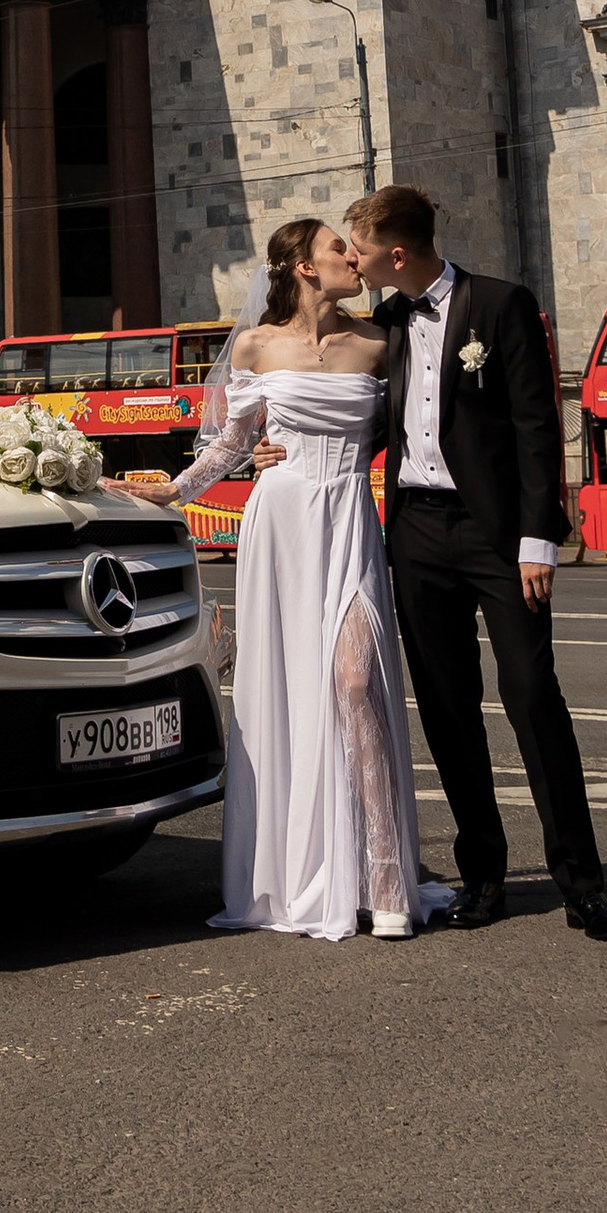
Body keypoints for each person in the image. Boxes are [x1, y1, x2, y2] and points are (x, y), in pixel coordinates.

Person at [138, 213, 453, 942]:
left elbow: (409, 428)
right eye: (338, 248)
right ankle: (302, 869)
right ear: (304, 267)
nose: (353, 256)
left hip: (348, 520)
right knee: (289, 695)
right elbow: (230, 443)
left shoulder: (379, 339)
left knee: (354, 683)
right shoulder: (255, 344)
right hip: (279, 527)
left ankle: (382, 875)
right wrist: (174, 491)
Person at [339, 183, 607, 943]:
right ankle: (484, 877)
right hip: (415, 533)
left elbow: (539, 425)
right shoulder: (389, 320)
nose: (353, 258)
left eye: (360, 248)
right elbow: (363, 416)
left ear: (395, 251)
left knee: (533, 695)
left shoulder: (500, 305)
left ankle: (583, 886)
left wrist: (540, 538)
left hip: (500, 538)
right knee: (446, 708)